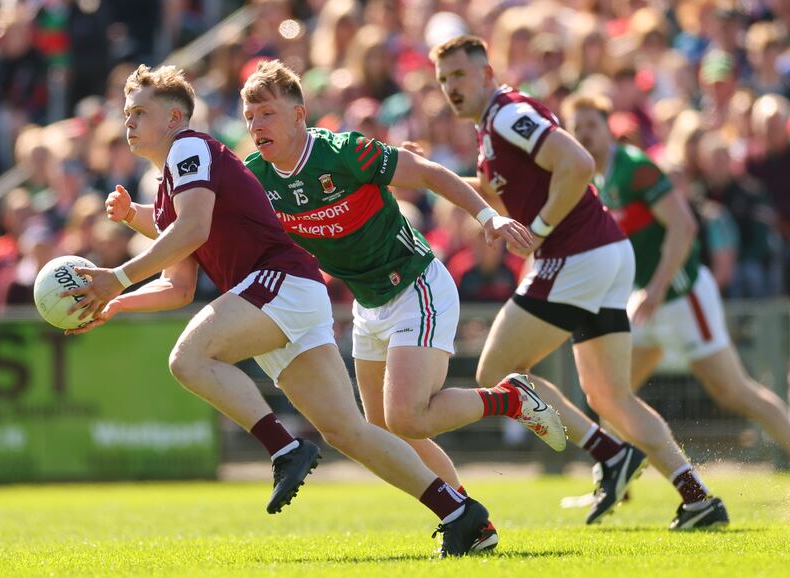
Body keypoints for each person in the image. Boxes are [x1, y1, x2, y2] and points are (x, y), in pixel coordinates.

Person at [60, 64, 497, 557]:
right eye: (125, 114)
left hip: (278, 283)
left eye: (140, 112)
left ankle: (284, 447)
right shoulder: (168, 193)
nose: (129, 123)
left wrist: (115, 276)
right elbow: (178, 286)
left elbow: (195, 229)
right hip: (283, 294)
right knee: (349, 430)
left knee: (188, 358)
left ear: (176, 117)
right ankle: (460, 513)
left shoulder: (188, 147)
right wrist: (117, 303)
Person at [239, 59, 566, 522]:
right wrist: (136, 216)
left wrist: (487, 218)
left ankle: (510, 398)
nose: (256, 125)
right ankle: (471, 517)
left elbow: (430, 173)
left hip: (416, 285)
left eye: (267, 113)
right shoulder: (256, 178)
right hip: (368, 304)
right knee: (384, 429)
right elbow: (199, 221)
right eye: (250, 117)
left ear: (299, 114)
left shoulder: (345, 152)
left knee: (407, 417)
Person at [431, 34, 729, 529]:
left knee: (496, 371)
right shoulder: (492, 127)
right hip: (604, 252)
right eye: (444, 80)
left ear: (486, 74)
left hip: (577, 253)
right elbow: (501, 195)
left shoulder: (504, 112)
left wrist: (541, 229)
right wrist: (424, 174)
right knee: (610, 396)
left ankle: (608, 452)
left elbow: (578, 164)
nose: (450, 88)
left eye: (459, 75)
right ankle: (697, 496)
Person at [562, 93, 790, 458]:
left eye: (592, 125)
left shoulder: (635, 167)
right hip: (648, 299)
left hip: (682, 296)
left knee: (735, 393)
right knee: (609, 396)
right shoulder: (595, 181)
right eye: (578, 128)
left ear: (608, 128)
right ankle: (614, 484)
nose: (585, 134)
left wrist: (655, 288)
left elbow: (683, 228)